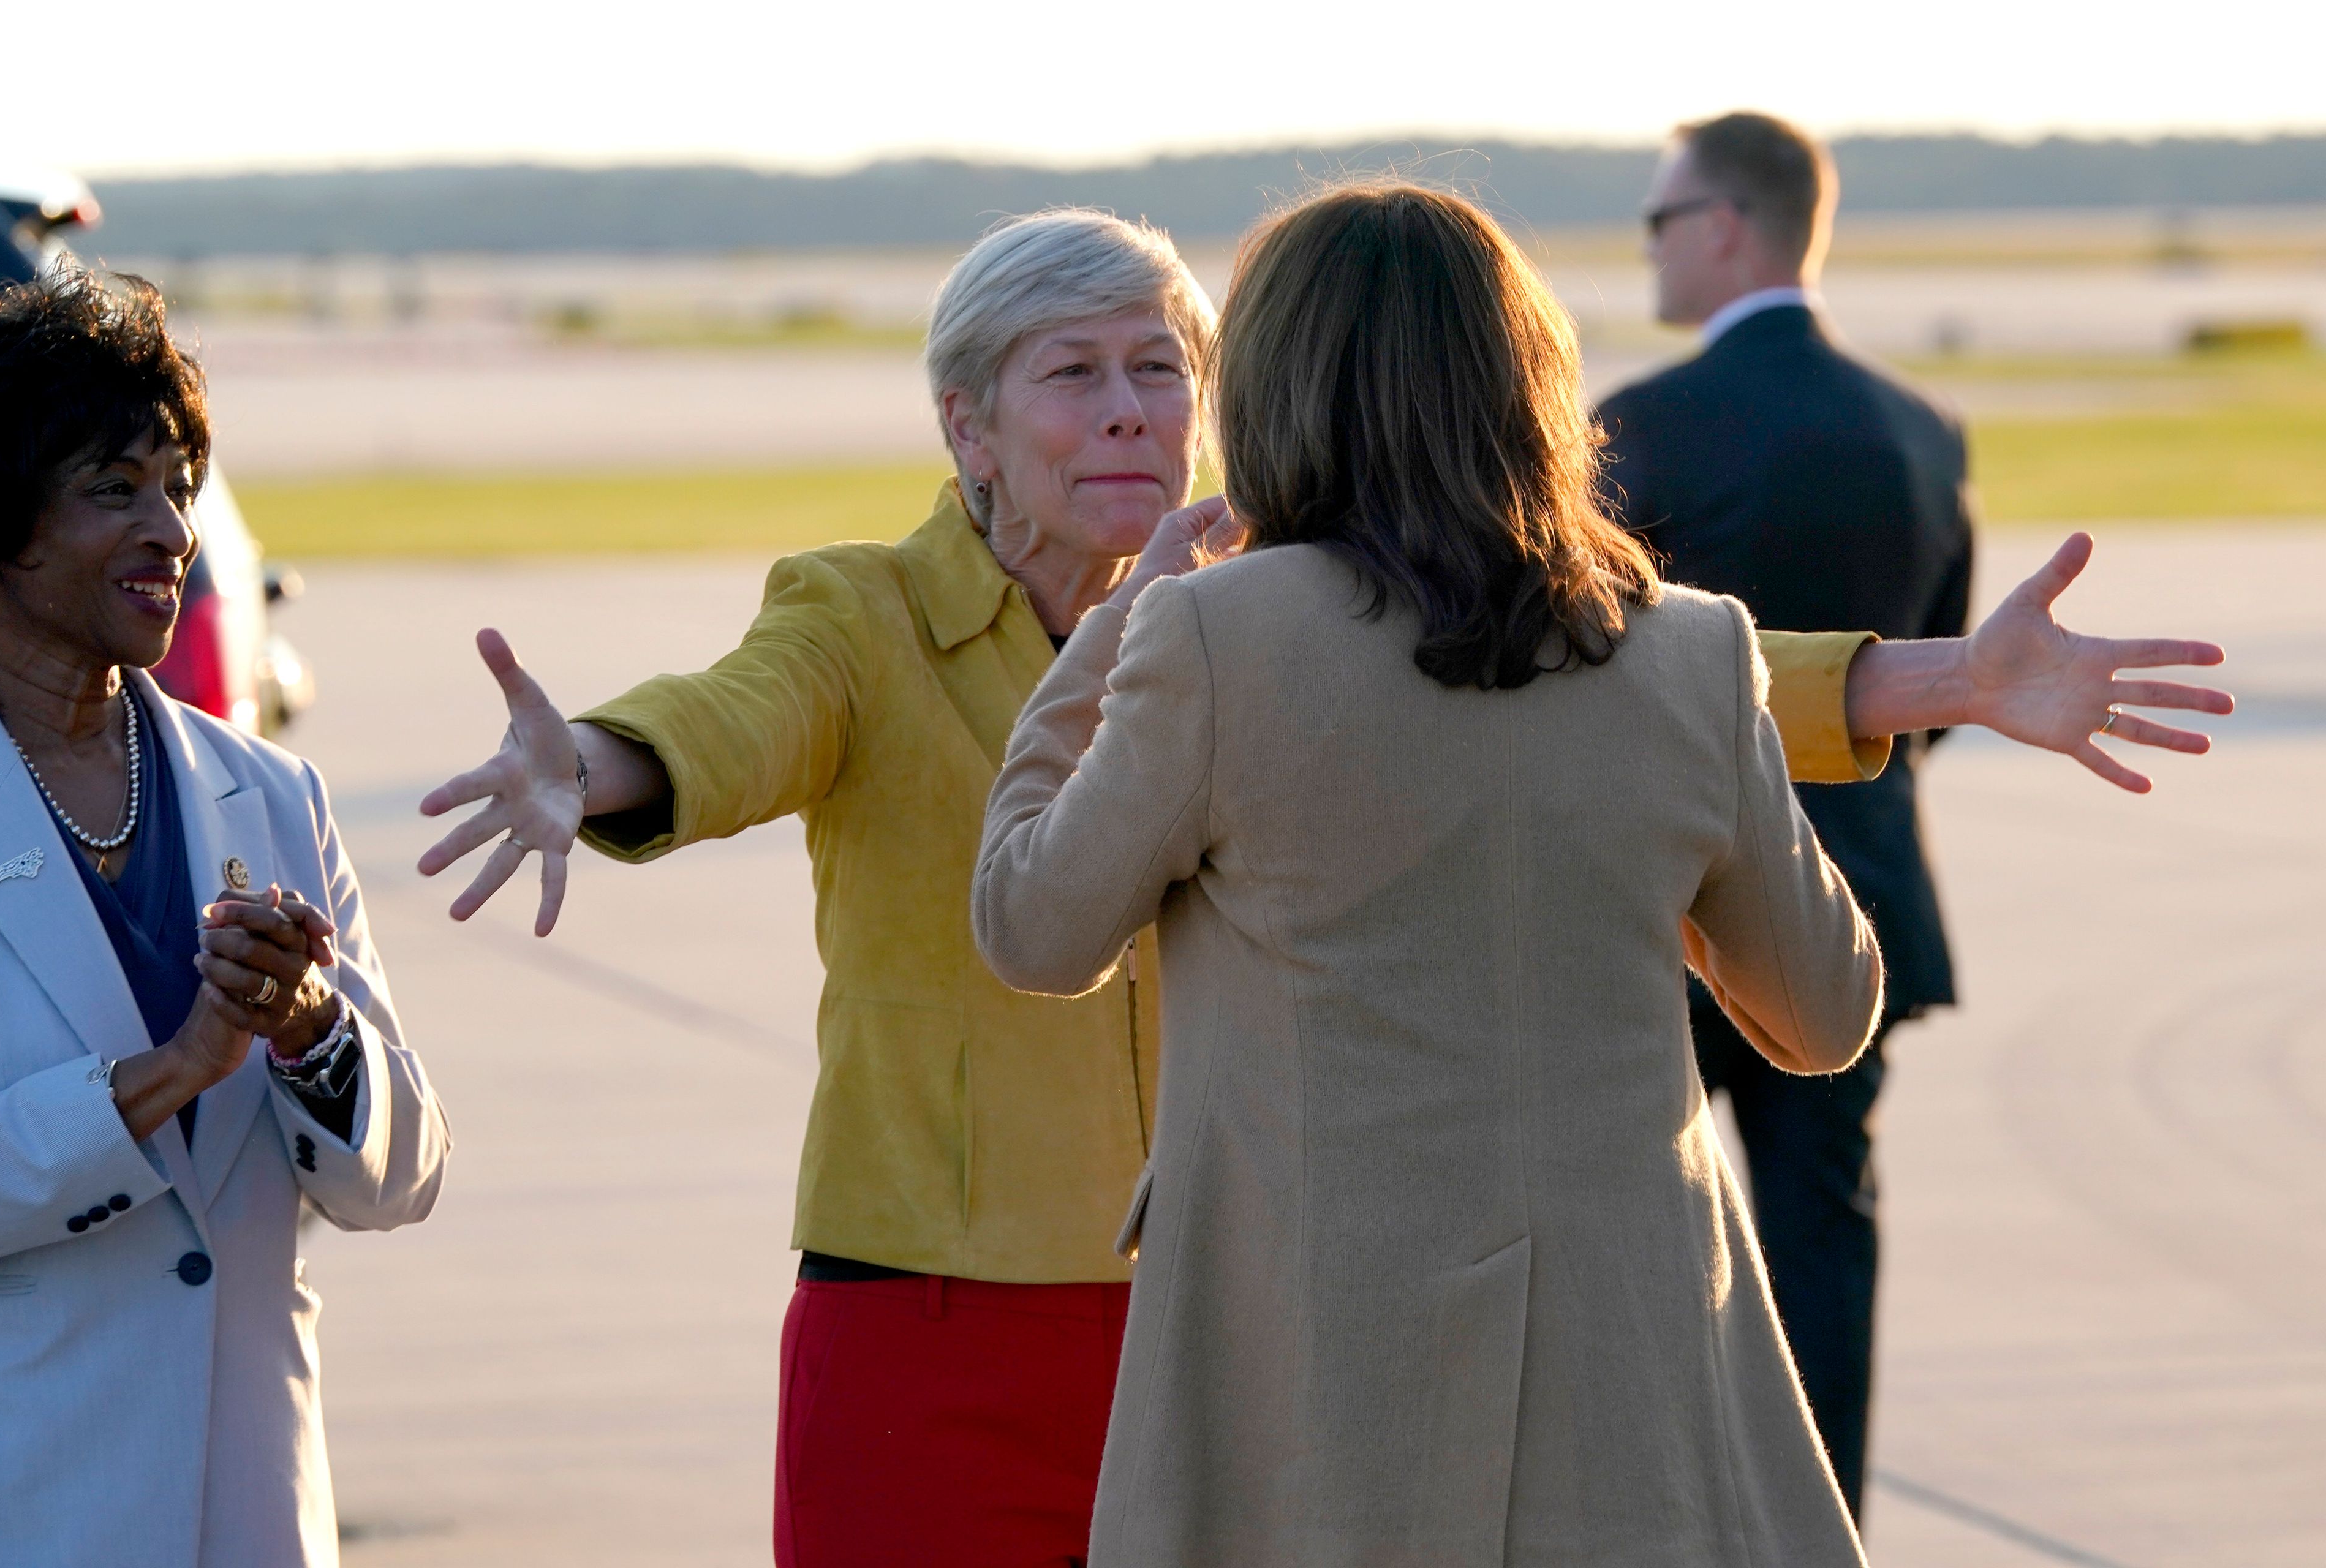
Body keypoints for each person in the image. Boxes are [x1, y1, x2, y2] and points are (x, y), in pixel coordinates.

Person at [423, 210, 2227, 1566]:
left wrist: (1938, 679)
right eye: (1076, 373)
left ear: (1244, 395)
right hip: (967, 1327)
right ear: (968, 427)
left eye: (1162, 368)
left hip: (1268, 1345)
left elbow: (1603, 696)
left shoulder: (1248, 629)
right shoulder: (871, 613)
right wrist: (581, 768)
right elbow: (732, 724)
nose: (1130, 411)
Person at [0, 271, 449, 1566]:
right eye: (113, 488)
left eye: (180, 482)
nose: (172, 528)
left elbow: (402, 1176)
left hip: (250, 1510)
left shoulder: (274, 795)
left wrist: (311, 1030)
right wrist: (165, 1074)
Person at [1597, 110, 2018, 1514]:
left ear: (1725, 224)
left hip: (1668, 906)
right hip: (1864, 896)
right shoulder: (1919, 425)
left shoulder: (1639, 427)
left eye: (1661, 218)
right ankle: (1823, 1522)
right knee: (1825, 1237)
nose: (1649, 244)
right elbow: (1941, 679)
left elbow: (1594, 673)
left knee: (1630, 1237)